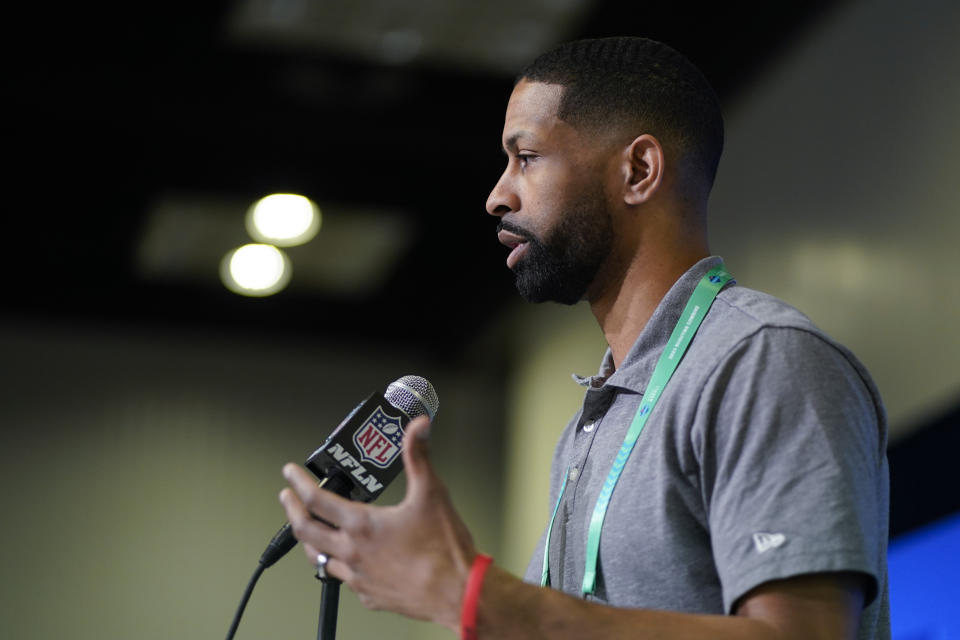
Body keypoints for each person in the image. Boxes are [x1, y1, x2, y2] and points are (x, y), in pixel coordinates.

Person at [279, 36, 889, 639]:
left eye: (527, 157)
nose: (497, 195)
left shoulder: (763, 359)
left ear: (638, 170)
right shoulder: (593, 424)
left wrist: (473, 594)